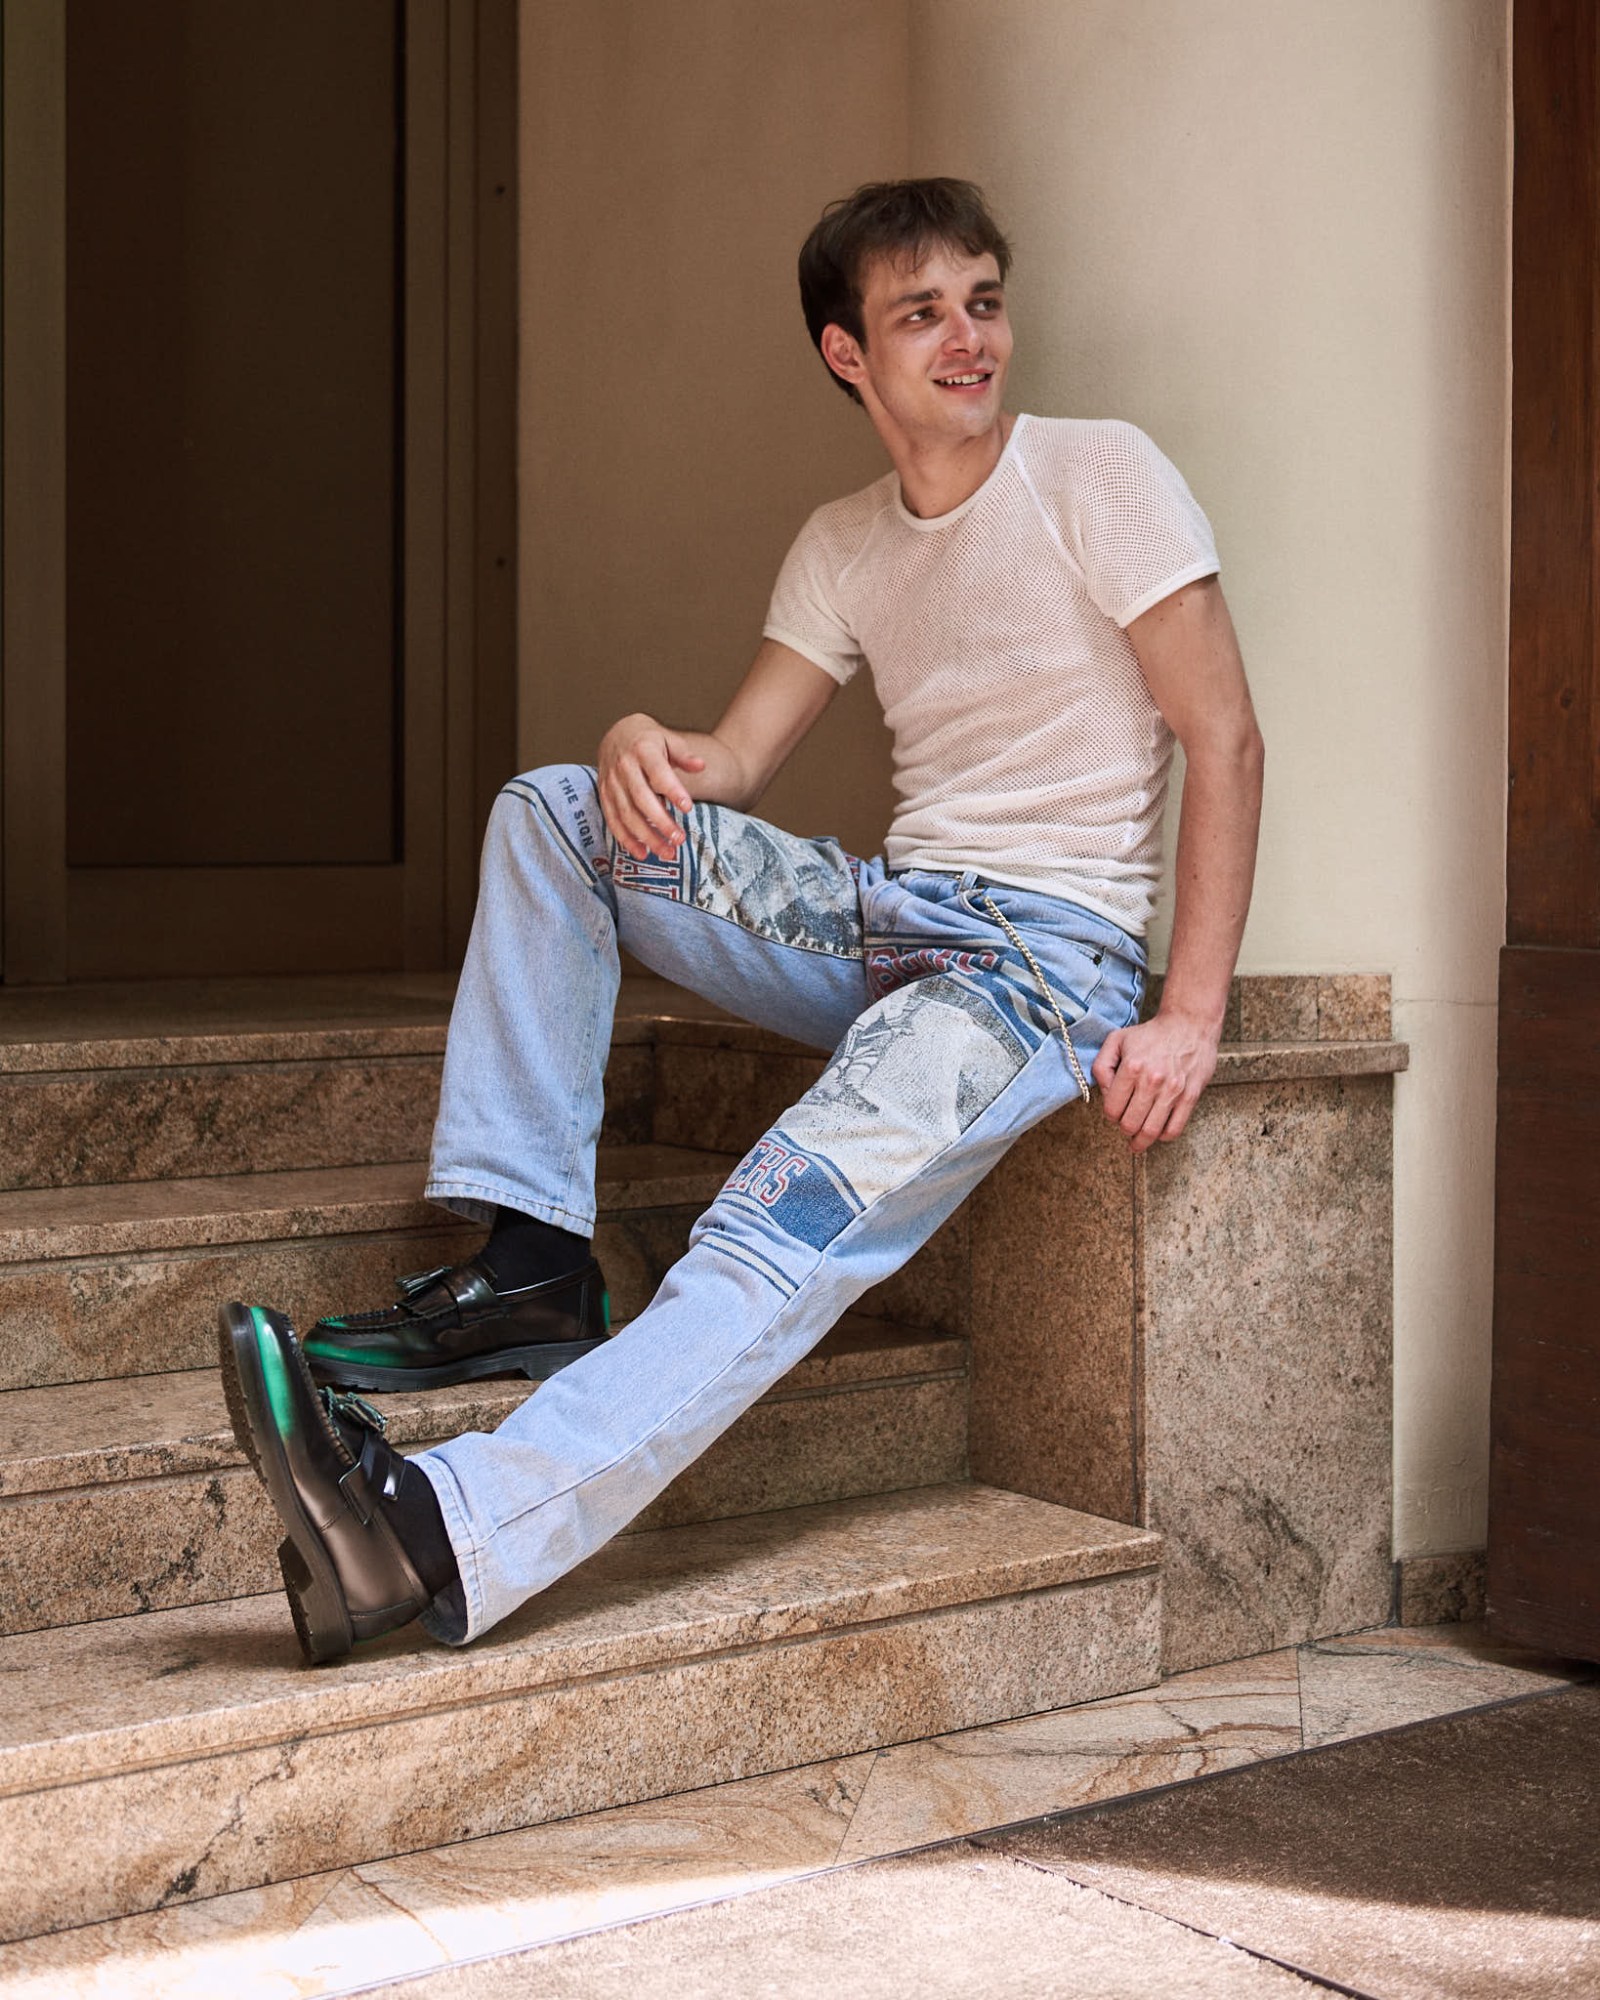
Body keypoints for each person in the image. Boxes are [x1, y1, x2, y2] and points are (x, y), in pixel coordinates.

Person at [219, 178, 1264, 1666]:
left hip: (1038, 966)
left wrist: (1191, 1015)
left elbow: (1225, 739)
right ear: (849, 352)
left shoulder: (1097, 474)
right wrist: (640, 744)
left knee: (774, 1221)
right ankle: (532, 1261)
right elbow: (733, 763)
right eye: (923, 314)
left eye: (983, 303)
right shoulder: (845, 540)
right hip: (884, 918)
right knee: (558, 811)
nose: (968, 339)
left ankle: (434, 1535)